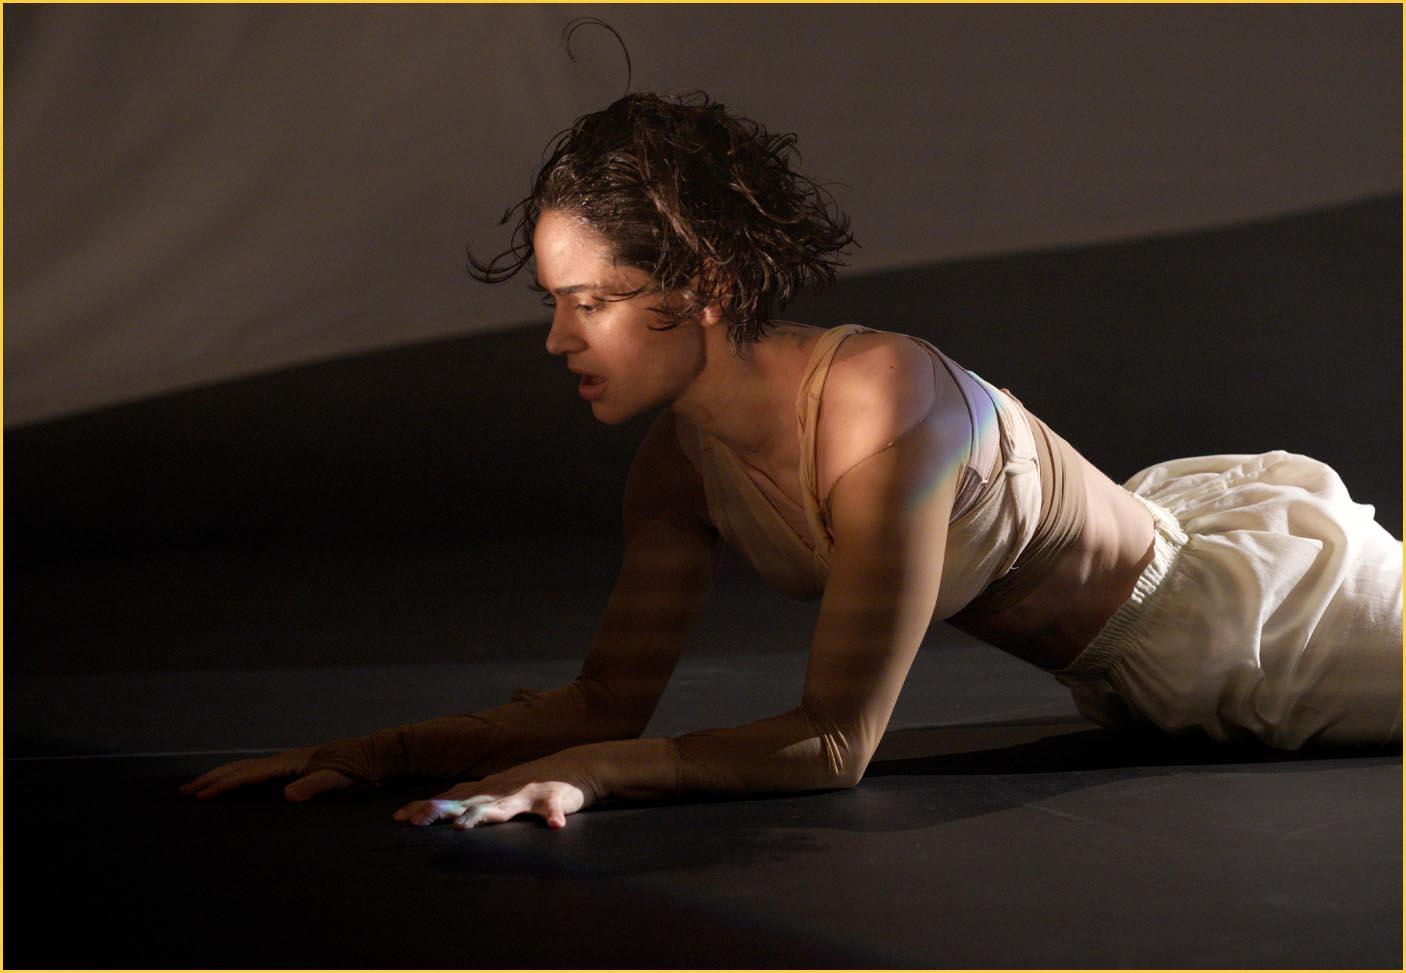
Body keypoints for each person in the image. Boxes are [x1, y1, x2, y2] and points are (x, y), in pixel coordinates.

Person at [181, 92, 1403, 830]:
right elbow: (605, 701)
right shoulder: (676, 466)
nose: (558, 339)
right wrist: (376, 751)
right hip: (1129, 670)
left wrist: (592, 776)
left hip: (1252, 630)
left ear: (704, 285)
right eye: (552, 304)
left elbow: (833, 742)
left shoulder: (882, 404)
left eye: (591, 303)